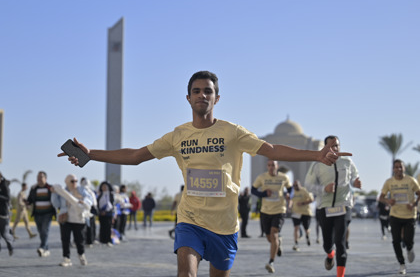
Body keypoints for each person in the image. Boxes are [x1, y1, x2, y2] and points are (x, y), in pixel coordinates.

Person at [58, 70, 348, 277]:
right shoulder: (177, 136)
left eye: (208, 91)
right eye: (196, 91)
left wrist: (316, 155)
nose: (202, 95)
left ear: (217, 98)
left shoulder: (233, 132)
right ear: (187, 98)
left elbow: (271, 150)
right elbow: (135, 156)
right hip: (190, 219)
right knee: (186, 273)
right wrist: (89, 154)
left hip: (225, 224)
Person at [305, 135, 361, 277]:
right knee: (327, 244)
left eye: (337, 145)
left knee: (340, 242)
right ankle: (330, 255)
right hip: (325, 207)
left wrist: (356, 183)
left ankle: (340, 275)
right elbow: (308, 185)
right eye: (331, 146)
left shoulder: (347, 161)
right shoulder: (317, 164)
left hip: (344, 206)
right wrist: (325, 189)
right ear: (325, 148)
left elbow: (355, 176)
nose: (335, 148)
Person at [251, 159, 293, 273]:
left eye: (273, 165)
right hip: (265, 211)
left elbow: (290, 189)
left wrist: (290, 195)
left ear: (277, 166)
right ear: (267, 166)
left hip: (279, 210)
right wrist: (264, 194)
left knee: (274, 235)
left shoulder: (284, 177)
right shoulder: (261, 177)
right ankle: (278, 242)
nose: (271, 167)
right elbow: (253, 190)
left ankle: (271, 262)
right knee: (270, 238)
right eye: (269, 165)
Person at [379, 159, 420, 275]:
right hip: (395, 214)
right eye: (396, 167)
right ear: (393, 169)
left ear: (404, 168)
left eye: (400, 167)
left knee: (408, 239)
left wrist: (414, 204)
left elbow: (419, 193)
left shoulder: (411, 181)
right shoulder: (389, 182)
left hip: (410, 215)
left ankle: (410, 248)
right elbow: (381, 197)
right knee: (396, 240)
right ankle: (402, 264)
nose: (398, 169)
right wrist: (388, 201)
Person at [51, 174, 93, 267]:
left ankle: (81, 255)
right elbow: (56, 203)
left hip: (79, 218)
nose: (74, 183)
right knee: (65, 239)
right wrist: (54, 193)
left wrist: (84, 201)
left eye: (76, 181)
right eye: (72, 181)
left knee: (80, 239)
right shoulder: (62, 191)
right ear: (67, 182)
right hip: (65, 218)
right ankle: (66, 258)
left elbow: (90, 199)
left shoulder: (81, 190)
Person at [26, 171, 56, 257]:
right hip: (37, 214)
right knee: (41, 232)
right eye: (38, 177)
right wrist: (27, 203)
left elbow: (55, 200)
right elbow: (30, 199)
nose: (39, 179)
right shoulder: (34, 189)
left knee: (44, 230)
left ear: (45, 178)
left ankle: (42, 247)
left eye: (41, 177)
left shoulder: (50, 188)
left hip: (47, 214)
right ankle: (46, 249)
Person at [290, 180, 314, 252]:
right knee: (296, 228)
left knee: (306, 228)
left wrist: (303, 203)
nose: (295, 187)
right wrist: (289, 205)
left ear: (300, 185)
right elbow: (290, 200)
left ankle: (307, 236)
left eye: (296, 185)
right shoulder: (292, 191)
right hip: (296, 212)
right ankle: (296, 243)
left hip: (305, 212)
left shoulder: (304, 191)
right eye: (294, 186)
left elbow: (311, 199)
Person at [80, 177, 98, 247]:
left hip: (89, 210)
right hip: (85, 210)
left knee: (89, 226)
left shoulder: (90, 191)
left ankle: (89, 240)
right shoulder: (86, 191)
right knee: (86, 226)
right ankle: (87, 241)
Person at [96, 181, 114, 246]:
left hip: (108, 213)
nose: (104, 188)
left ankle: (108, 240)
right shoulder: (100, 194)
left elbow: (112, 204)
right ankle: (102, 240)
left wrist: (106, 211)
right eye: (103, 186)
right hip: (101, 213)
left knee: (108, 227)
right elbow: (97, 204)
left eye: (105, 186)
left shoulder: (111, 195)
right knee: (102, 227)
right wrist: (100, 211)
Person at [0, 172, 14, 256]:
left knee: (4, 234)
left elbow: (7, 198)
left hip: (3, 214)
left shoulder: (4, 185)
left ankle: (10, 244)